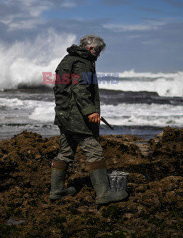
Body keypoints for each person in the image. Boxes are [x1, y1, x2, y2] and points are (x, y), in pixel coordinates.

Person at [49, 34, 128, 205]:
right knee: (94, 152)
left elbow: (60, 89)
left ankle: (56, 191)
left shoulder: (67, 60)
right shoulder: (83, 63)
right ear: (91, 48)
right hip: (77, 118)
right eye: (98, 51)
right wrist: (90, 111)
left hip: (64, 115)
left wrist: (65, 112)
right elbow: (79, 89)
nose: (99, 55)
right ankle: (103, 193)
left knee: (65, 152)